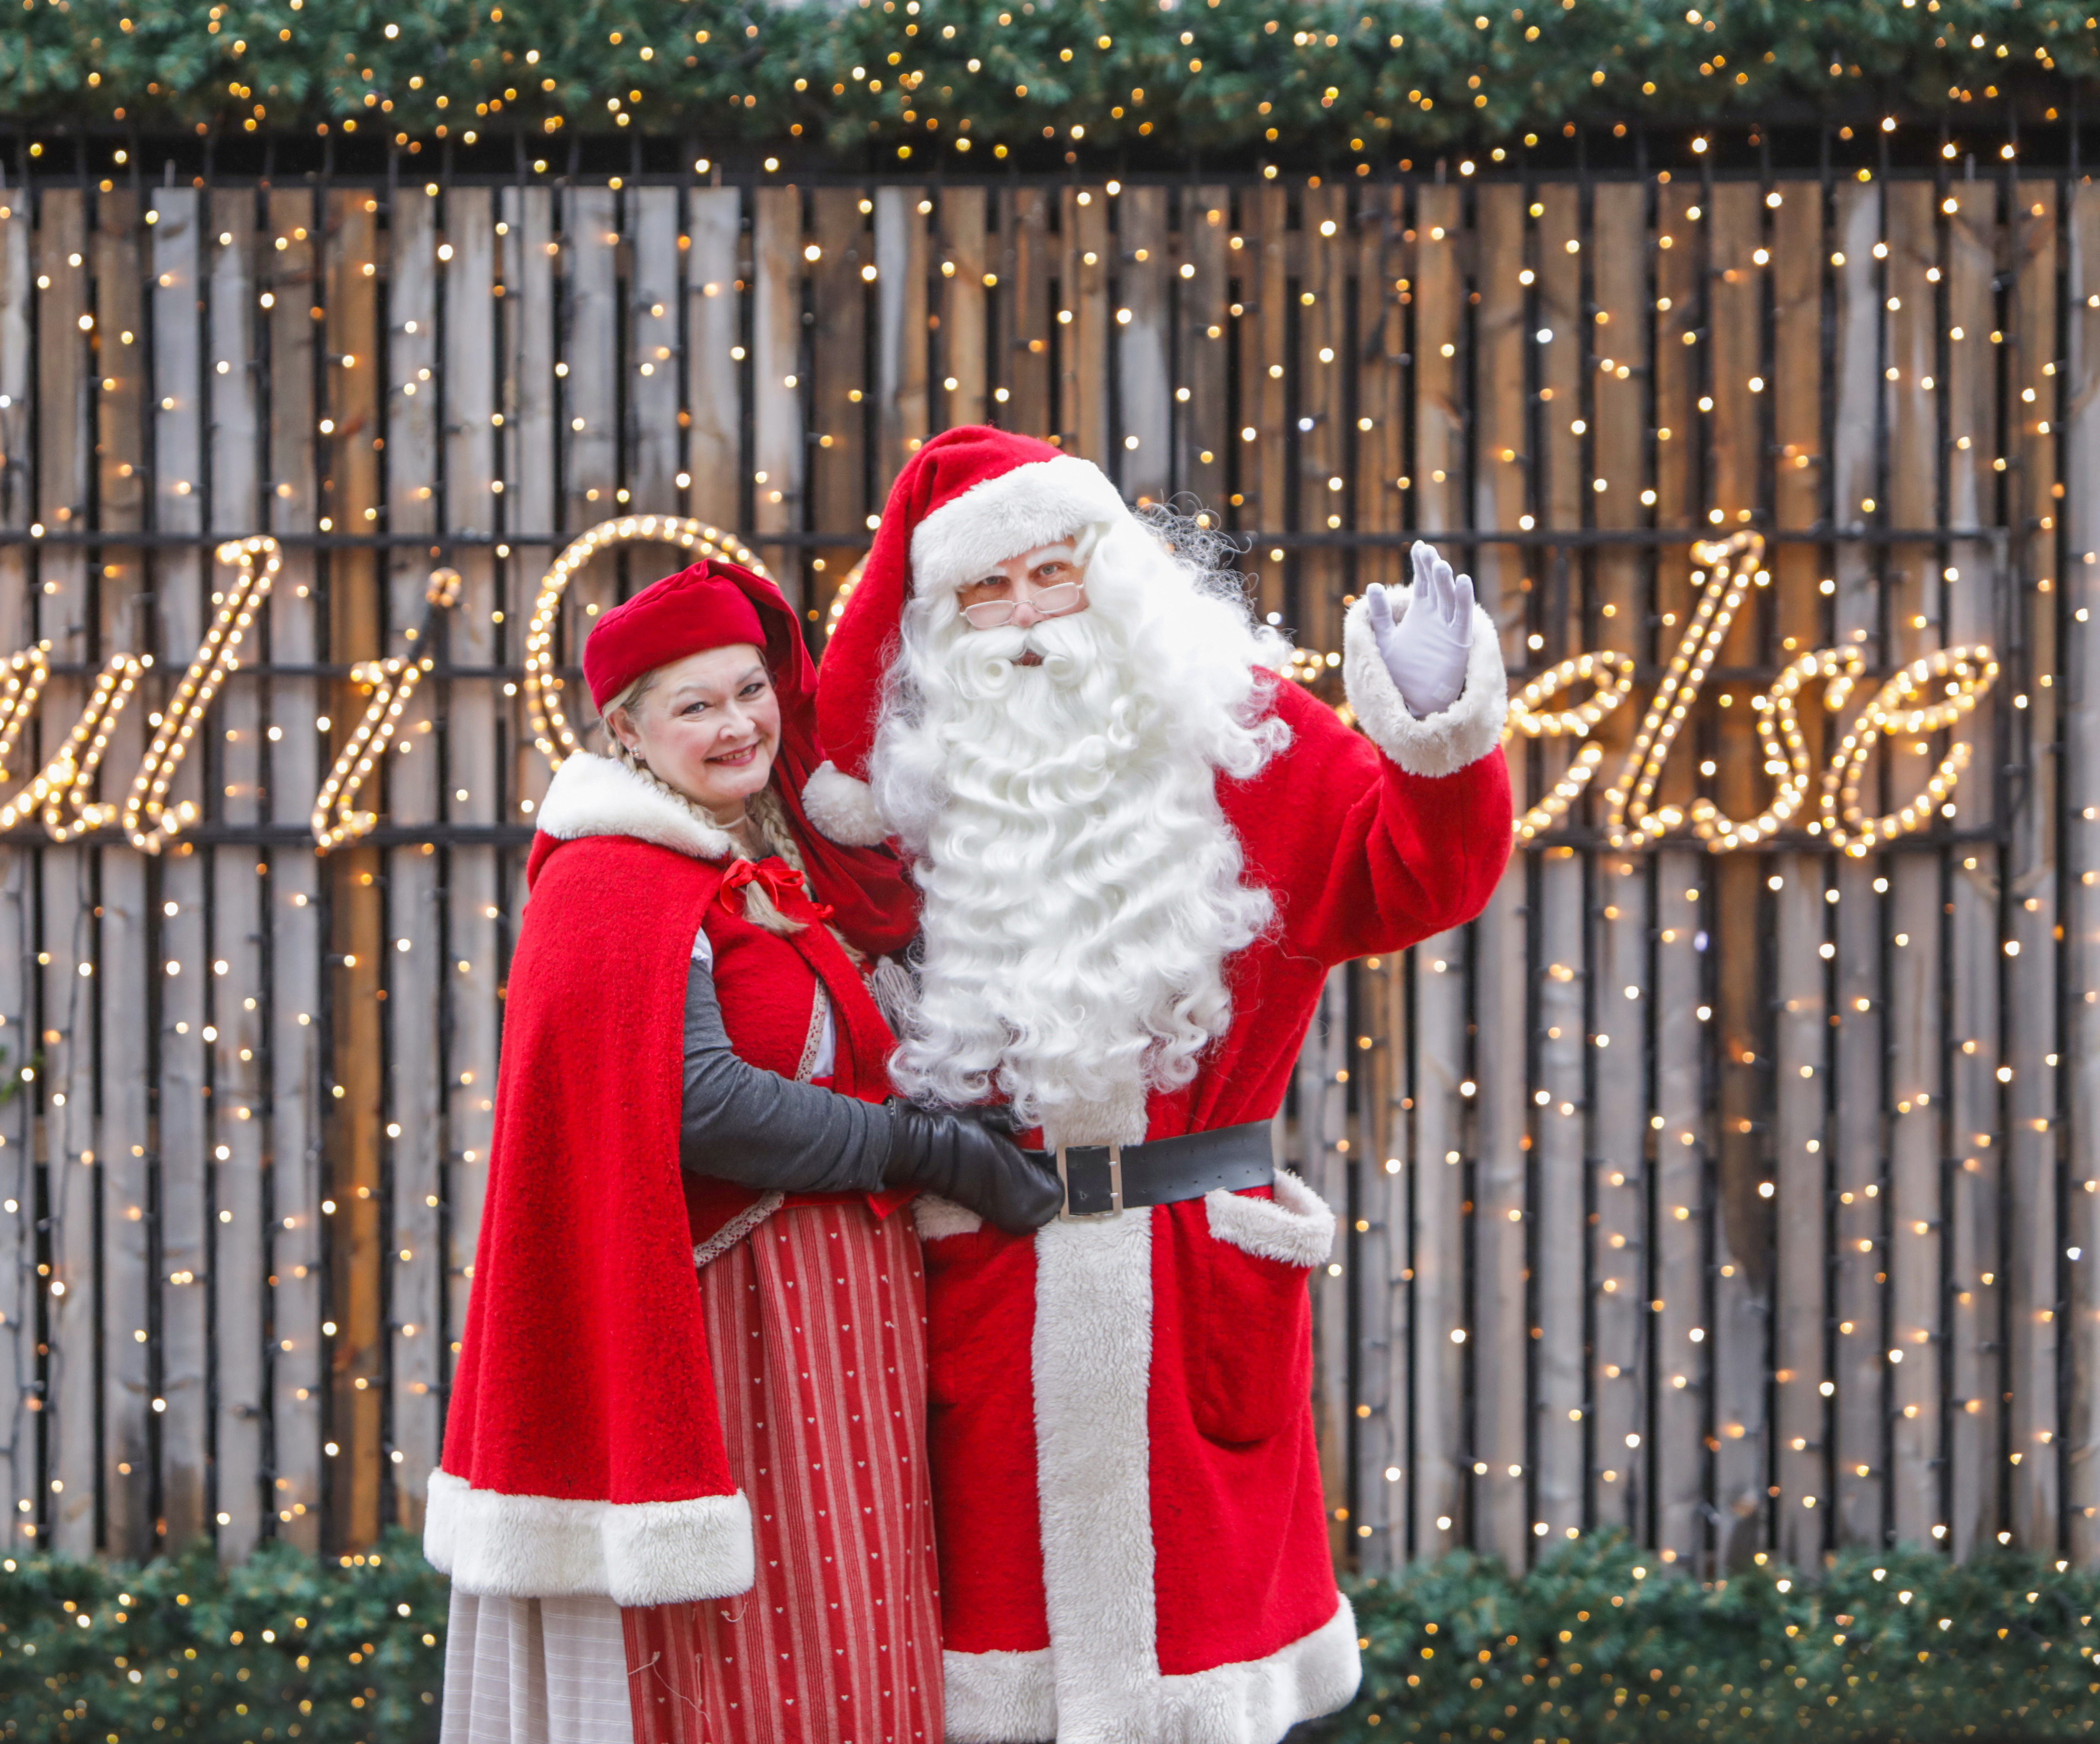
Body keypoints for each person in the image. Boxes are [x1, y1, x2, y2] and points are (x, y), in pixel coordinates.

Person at [799, 426, 1516, 1744]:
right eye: (984, 591)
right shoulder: (907, 801)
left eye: (1051, 574)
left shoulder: (1239, 732)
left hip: (1196, 1292)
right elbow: (787, 804)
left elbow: (1415, 877)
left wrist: (1438, 742)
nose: (1025, 619)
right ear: (938, 623)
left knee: (1202, 1689)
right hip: (985, 1297)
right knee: (988, 1690)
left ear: (1112, 575)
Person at [428, 557, 1063, 1744]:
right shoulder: (613, 877)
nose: (740, 724)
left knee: (857, 1656)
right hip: (737, 1336)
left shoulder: (743, 868)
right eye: (697, 706)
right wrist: (926, 1150)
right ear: (625, 728)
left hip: (844, 1333)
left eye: (748, 689)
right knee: (753, 1673)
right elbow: (706, 1103)